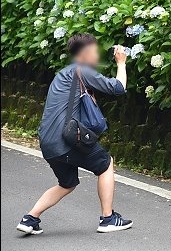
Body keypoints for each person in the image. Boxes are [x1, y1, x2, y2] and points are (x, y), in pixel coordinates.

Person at [16, 34, 132, 235]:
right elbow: (118, 88)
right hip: (67, 140)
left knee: (67, 183)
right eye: (95, 51)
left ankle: (30, 219)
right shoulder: (83, 71)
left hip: (48, 143)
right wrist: (121, 63)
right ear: (86, 53)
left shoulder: (62, 75)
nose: (97, 55)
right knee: (105, 164)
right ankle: (108, 218)